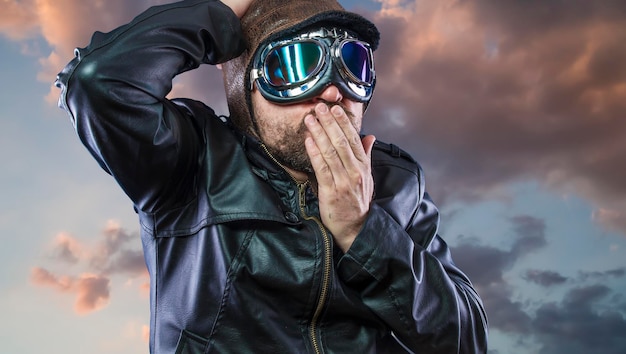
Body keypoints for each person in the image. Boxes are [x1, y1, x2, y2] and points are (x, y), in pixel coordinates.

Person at [56, 0, 488, 352]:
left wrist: (363, 230)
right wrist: (224, 11)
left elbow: (466, 340)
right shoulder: (191, 164)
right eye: (297, 65)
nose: (335, 91)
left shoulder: (396, 184)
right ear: (248, 88)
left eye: (353, 64)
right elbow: (98, 84)